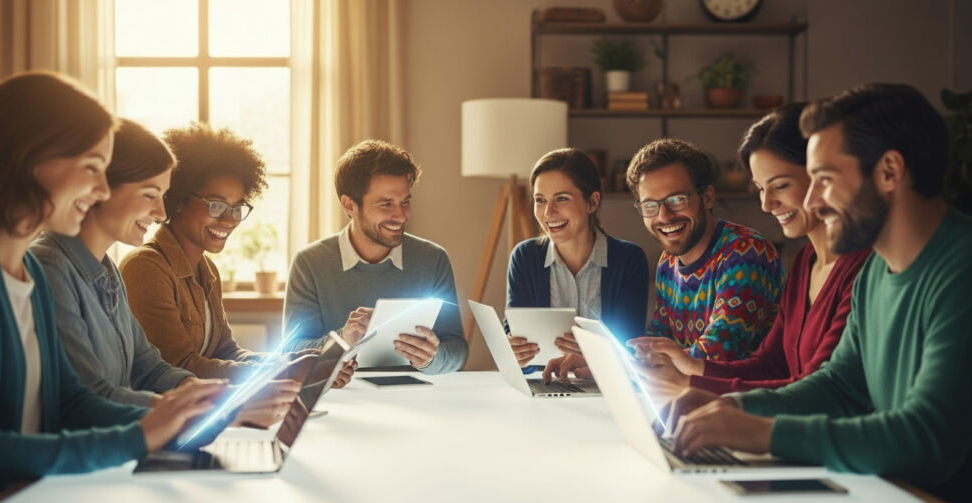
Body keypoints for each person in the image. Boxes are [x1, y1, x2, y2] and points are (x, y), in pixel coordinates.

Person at [662, 84, 972, 503]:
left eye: (826, 180)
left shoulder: (967, 267)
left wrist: (767, 433)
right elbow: (839, 386)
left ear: (890, 171)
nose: (814, 201)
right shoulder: (876, 270)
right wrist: (735, 407)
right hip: (886, 500)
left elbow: (929, 439)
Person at [0, 72, 227, 503]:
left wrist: (187, 414)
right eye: (92, 169)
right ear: (29, 157)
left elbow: (69, 401)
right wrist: (140, 435)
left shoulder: (26, 268)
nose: (101, 190)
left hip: (30, 500)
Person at [30, 120, 301, 426]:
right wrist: (226, 408)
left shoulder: (108, 272)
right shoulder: (52, 268)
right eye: (150, 195)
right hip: (96, 450)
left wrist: (238, 394)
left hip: (125, 439)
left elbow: (152, 368)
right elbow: (90, 398)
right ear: (100, 188)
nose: (160, 212)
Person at [630, 104, 870, 398]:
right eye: (760, 189)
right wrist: (623, 360)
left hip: (795, 423)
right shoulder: (806, 261)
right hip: (773, 413)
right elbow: (771, 364)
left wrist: (691, 383)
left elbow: (822, 388)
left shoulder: (749, 252)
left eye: (780, 185)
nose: (766, 205)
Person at [120, 123, 351, 389]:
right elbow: (178, 367)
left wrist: (293, 361)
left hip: (202, 408)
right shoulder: (146, 268)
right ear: (179, 198)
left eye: (237, 207)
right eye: (216, 206)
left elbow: (227, 352)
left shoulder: (207, 270)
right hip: (167, 417)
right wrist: (284, 372)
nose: (230, 220)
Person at [545, 138, 784, 384]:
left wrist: (619, 366)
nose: (664, 216)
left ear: (708, 197)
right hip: (687, 398)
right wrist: (599, 360)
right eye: (650, 205)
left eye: (677, 199)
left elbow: (716, 355)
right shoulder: (668, 262)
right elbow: (654, 341)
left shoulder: (746, 253)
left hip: (742, 406)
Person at [283, 139, 467, 374]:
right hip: (344, 396)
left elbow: (457, 350)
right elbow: (292, 351)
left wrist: (431, 359)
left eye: (405, 202)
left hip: (418, 398)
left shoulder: (433, 259)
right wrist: (343, 339)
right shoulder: (309, 263)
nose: (401, 216)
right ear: (349, 205)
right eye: (386, 204)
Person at [503, 148, 648, 378]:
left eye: (562, 199)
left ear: (592, 202)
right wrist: (516, 354)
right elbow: (519, 353)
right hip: (545, 387)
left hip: (608, 390)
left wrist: (592, 357)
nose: (548, 212)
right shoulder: (524, 257)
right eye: (540, 200)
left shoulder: (628, 259)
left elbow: (630, 349)